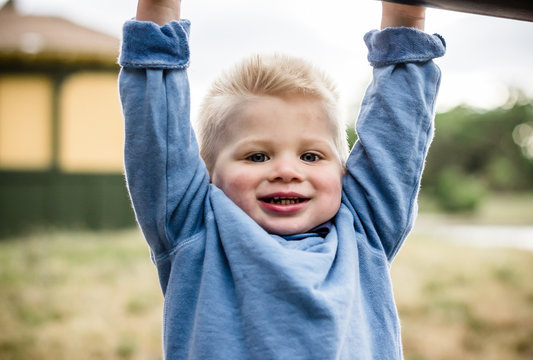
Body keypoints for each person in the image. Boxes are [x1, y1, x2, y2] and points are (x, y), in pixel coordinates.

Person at [118, 0, 445, 359]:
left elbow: (397, 128)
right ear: (208, 175)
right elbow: (155, 127)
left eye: (310, 156)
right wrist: (159, 8)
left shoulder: (364, 230)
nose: (287, 171)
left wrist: (406, 18)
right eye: (257, 156)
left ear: (342, 171)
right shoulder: (193, 228)